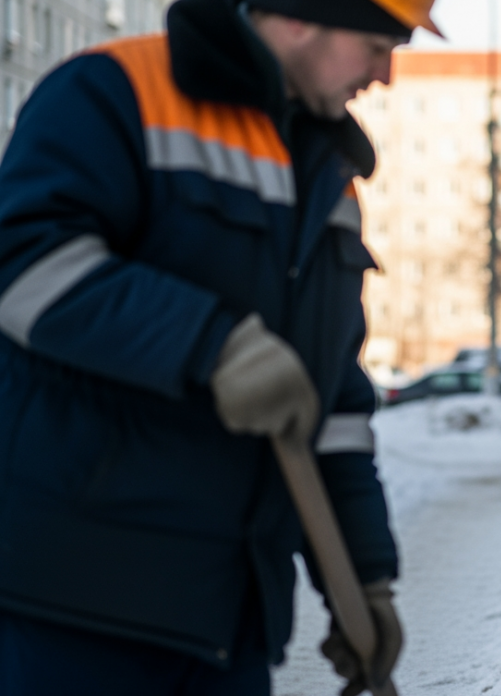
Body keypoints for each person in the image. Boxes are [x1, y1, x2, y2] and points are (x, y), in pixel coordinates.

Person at [0, 0, 439, 693]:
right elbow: (22, 264)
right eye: (378, 43)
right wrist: (211, 345)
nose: (385, 73)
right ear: (303, 17)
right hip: (79, 604)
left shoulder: (330, 179)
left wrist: (362, 581)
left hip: (229, 623)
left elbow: (331, 412)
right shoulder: (114, 92)